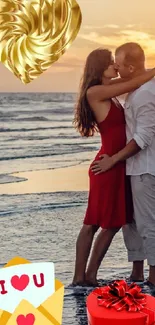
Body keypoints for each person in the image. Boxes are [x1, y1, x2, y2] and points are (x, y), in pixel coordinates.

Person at [72, 47, 155, 287]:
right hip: (108, 165)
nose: (115, 67)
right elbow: (136, 79)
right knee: (95, 222)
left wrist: (137, 69)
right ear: (100, 68)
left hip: (117, 164)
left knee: (110, 222)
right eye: (111, 63)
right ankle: (82, 278)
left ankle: (88, 277)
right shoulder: (96, 92)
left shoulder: (108, 91)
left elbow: (133, 76)